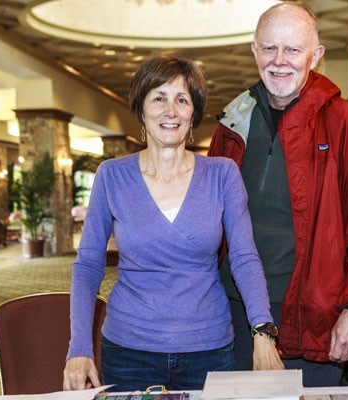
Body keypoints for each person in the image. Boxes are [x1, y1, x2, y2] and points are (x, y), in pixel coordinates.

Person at [64, 55, 283, 392]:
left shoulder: (222, 174)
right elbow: (89, 265)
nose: (171, 110)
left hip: (208, 349)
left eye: (182, 99)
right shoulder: (112, 175)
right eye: (159, 98)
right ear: (141, 109)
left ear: (193, 112)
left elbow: (244, 257)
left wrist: (262, 331)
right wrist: (79, 347)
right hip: (129, 351)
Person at [207, 2, 348, 387]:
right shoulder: (230, 127)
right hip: (233, 316)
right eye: (269, 48)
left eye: (293, 49)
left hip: (313, 319)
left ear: (316, 56)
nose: (280, 61)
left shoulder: (345, 123)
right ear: (254, 51)